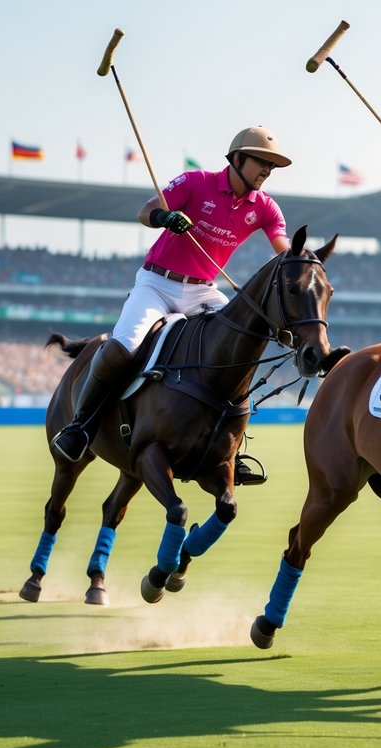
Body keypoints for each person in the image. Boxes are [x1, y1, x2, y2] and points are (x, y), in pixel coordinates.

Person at [51, 126, 294, 485]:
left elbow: (283, 248)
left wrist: (305, 260)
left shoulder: (265, 207)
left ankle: (232, 450)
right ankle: (80, 427)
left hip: (202, 291)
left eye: (272, 166)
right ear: (238, 158)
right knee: (122, 348)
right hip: (157, 283)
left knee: (240, 346)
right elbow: (145, 211)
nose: (267, 171)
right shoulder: (196, 182)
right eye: (262, 162)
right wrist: (165, 218)